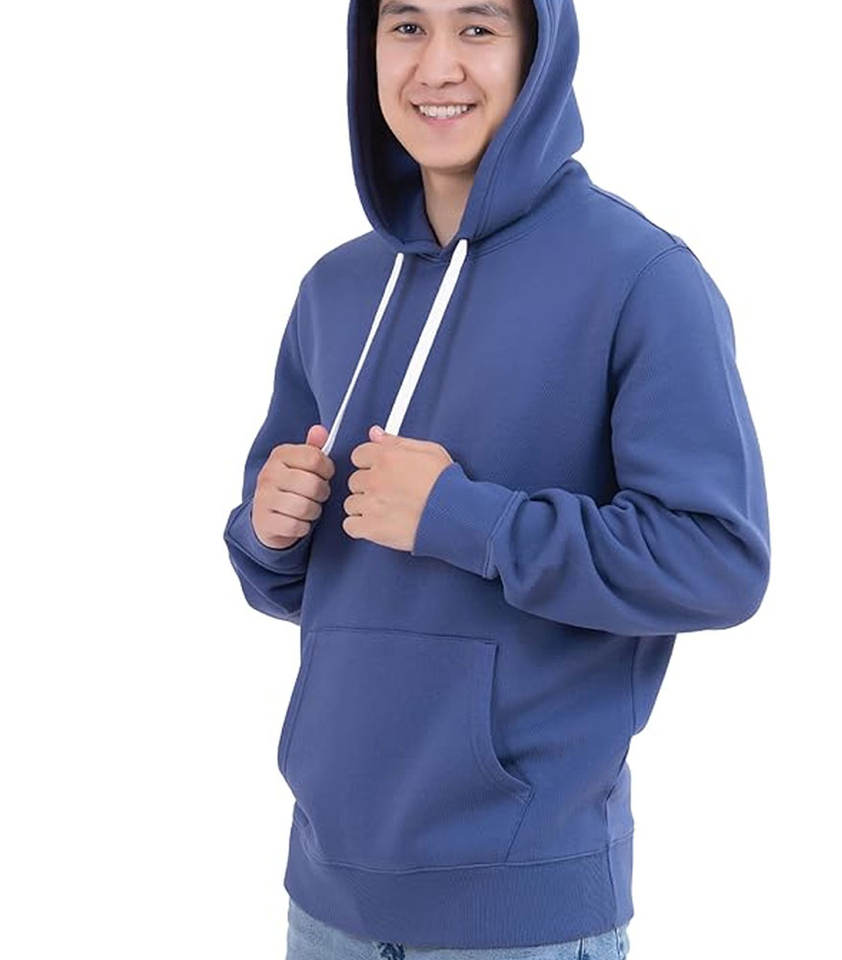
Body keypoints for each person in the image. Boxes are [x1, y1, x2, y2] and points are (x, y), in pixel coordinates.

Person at [222, 0, 771, 956]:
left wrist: (465, 519)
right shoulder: (335, 288)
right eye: (406, 27)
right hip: (325, 899)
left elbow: (718, 562)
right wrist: (265, 531)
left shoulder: (640, 276)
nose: (436, 66)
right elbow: (294, 582)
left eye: (477, 28)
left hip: (521, 913)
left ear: (539, 50)